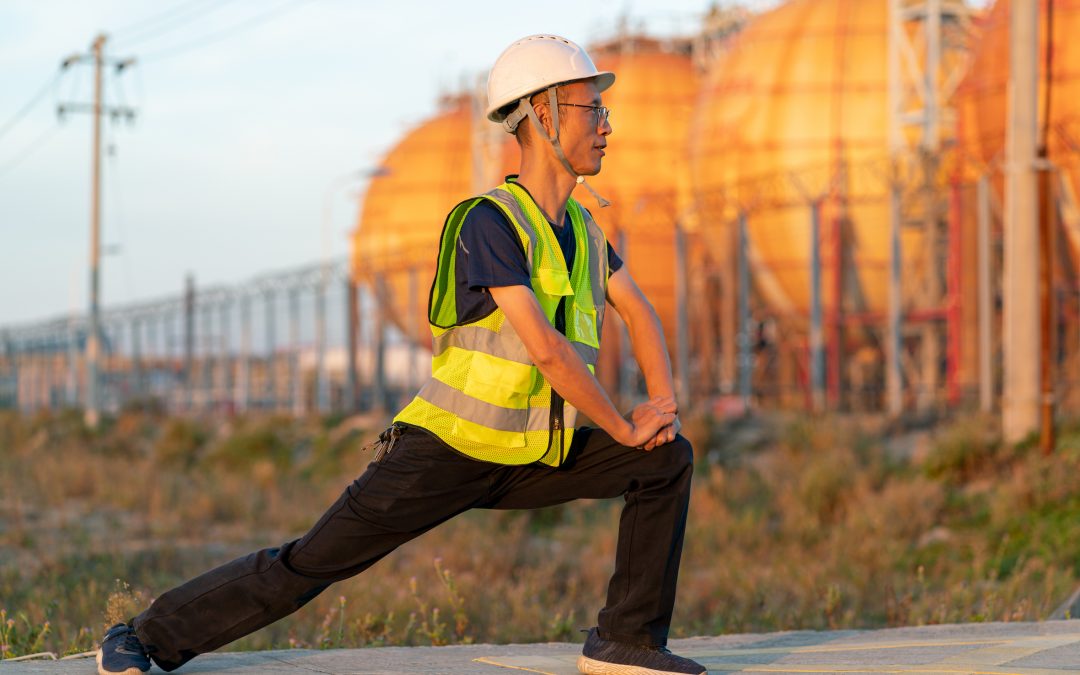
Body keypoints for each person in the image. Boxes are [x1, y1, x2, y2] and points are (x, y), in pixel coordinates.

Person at [97, 34, 704, 675]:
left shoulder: (582, 231)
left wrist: (659, 410)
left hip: (529, 453)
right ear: (547, 113)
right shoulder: (490, 222)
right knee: (308, 565)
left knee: (663, 460)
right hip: (445, 452)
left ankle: (627, 643)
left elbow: (639, 311)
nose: (607, 125)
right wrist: (620, 424)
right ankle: (142, 637)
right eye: (593, 109)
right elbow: (549, 353)